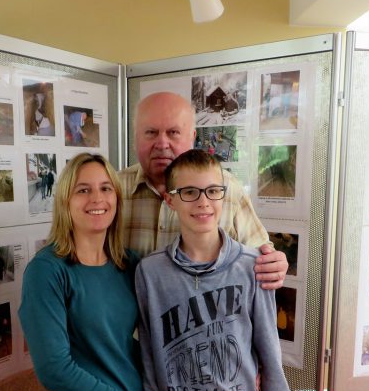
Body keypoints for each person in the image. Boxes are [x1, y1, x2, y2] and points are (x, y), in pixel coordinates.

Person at [135, 150, 294, 391]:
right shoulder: (150, 274)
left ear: (225, 195)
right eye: (189, 192)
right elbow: (150, 363)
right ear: (170, 200)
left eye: (212, 191)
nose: (203, 202)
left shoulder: (252, 266)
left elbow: (271, 357)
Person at [19, 153, 166, 391]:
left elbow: (140, 341)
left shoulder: (128, 263)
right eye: (83, 190)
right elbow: (55, 371)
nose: (97, 199)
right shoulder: (47, 272)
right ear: (65, 201)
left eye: (105, 189)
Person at [119, 91, 287, 289]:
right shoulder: (111, 190)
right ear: (135, 138)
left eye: (173, 132)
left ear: (192, 137)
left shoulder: (228, 189)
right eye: (151, 132)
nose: (162, 144)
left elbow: (262, 253)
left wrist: (274, 263)